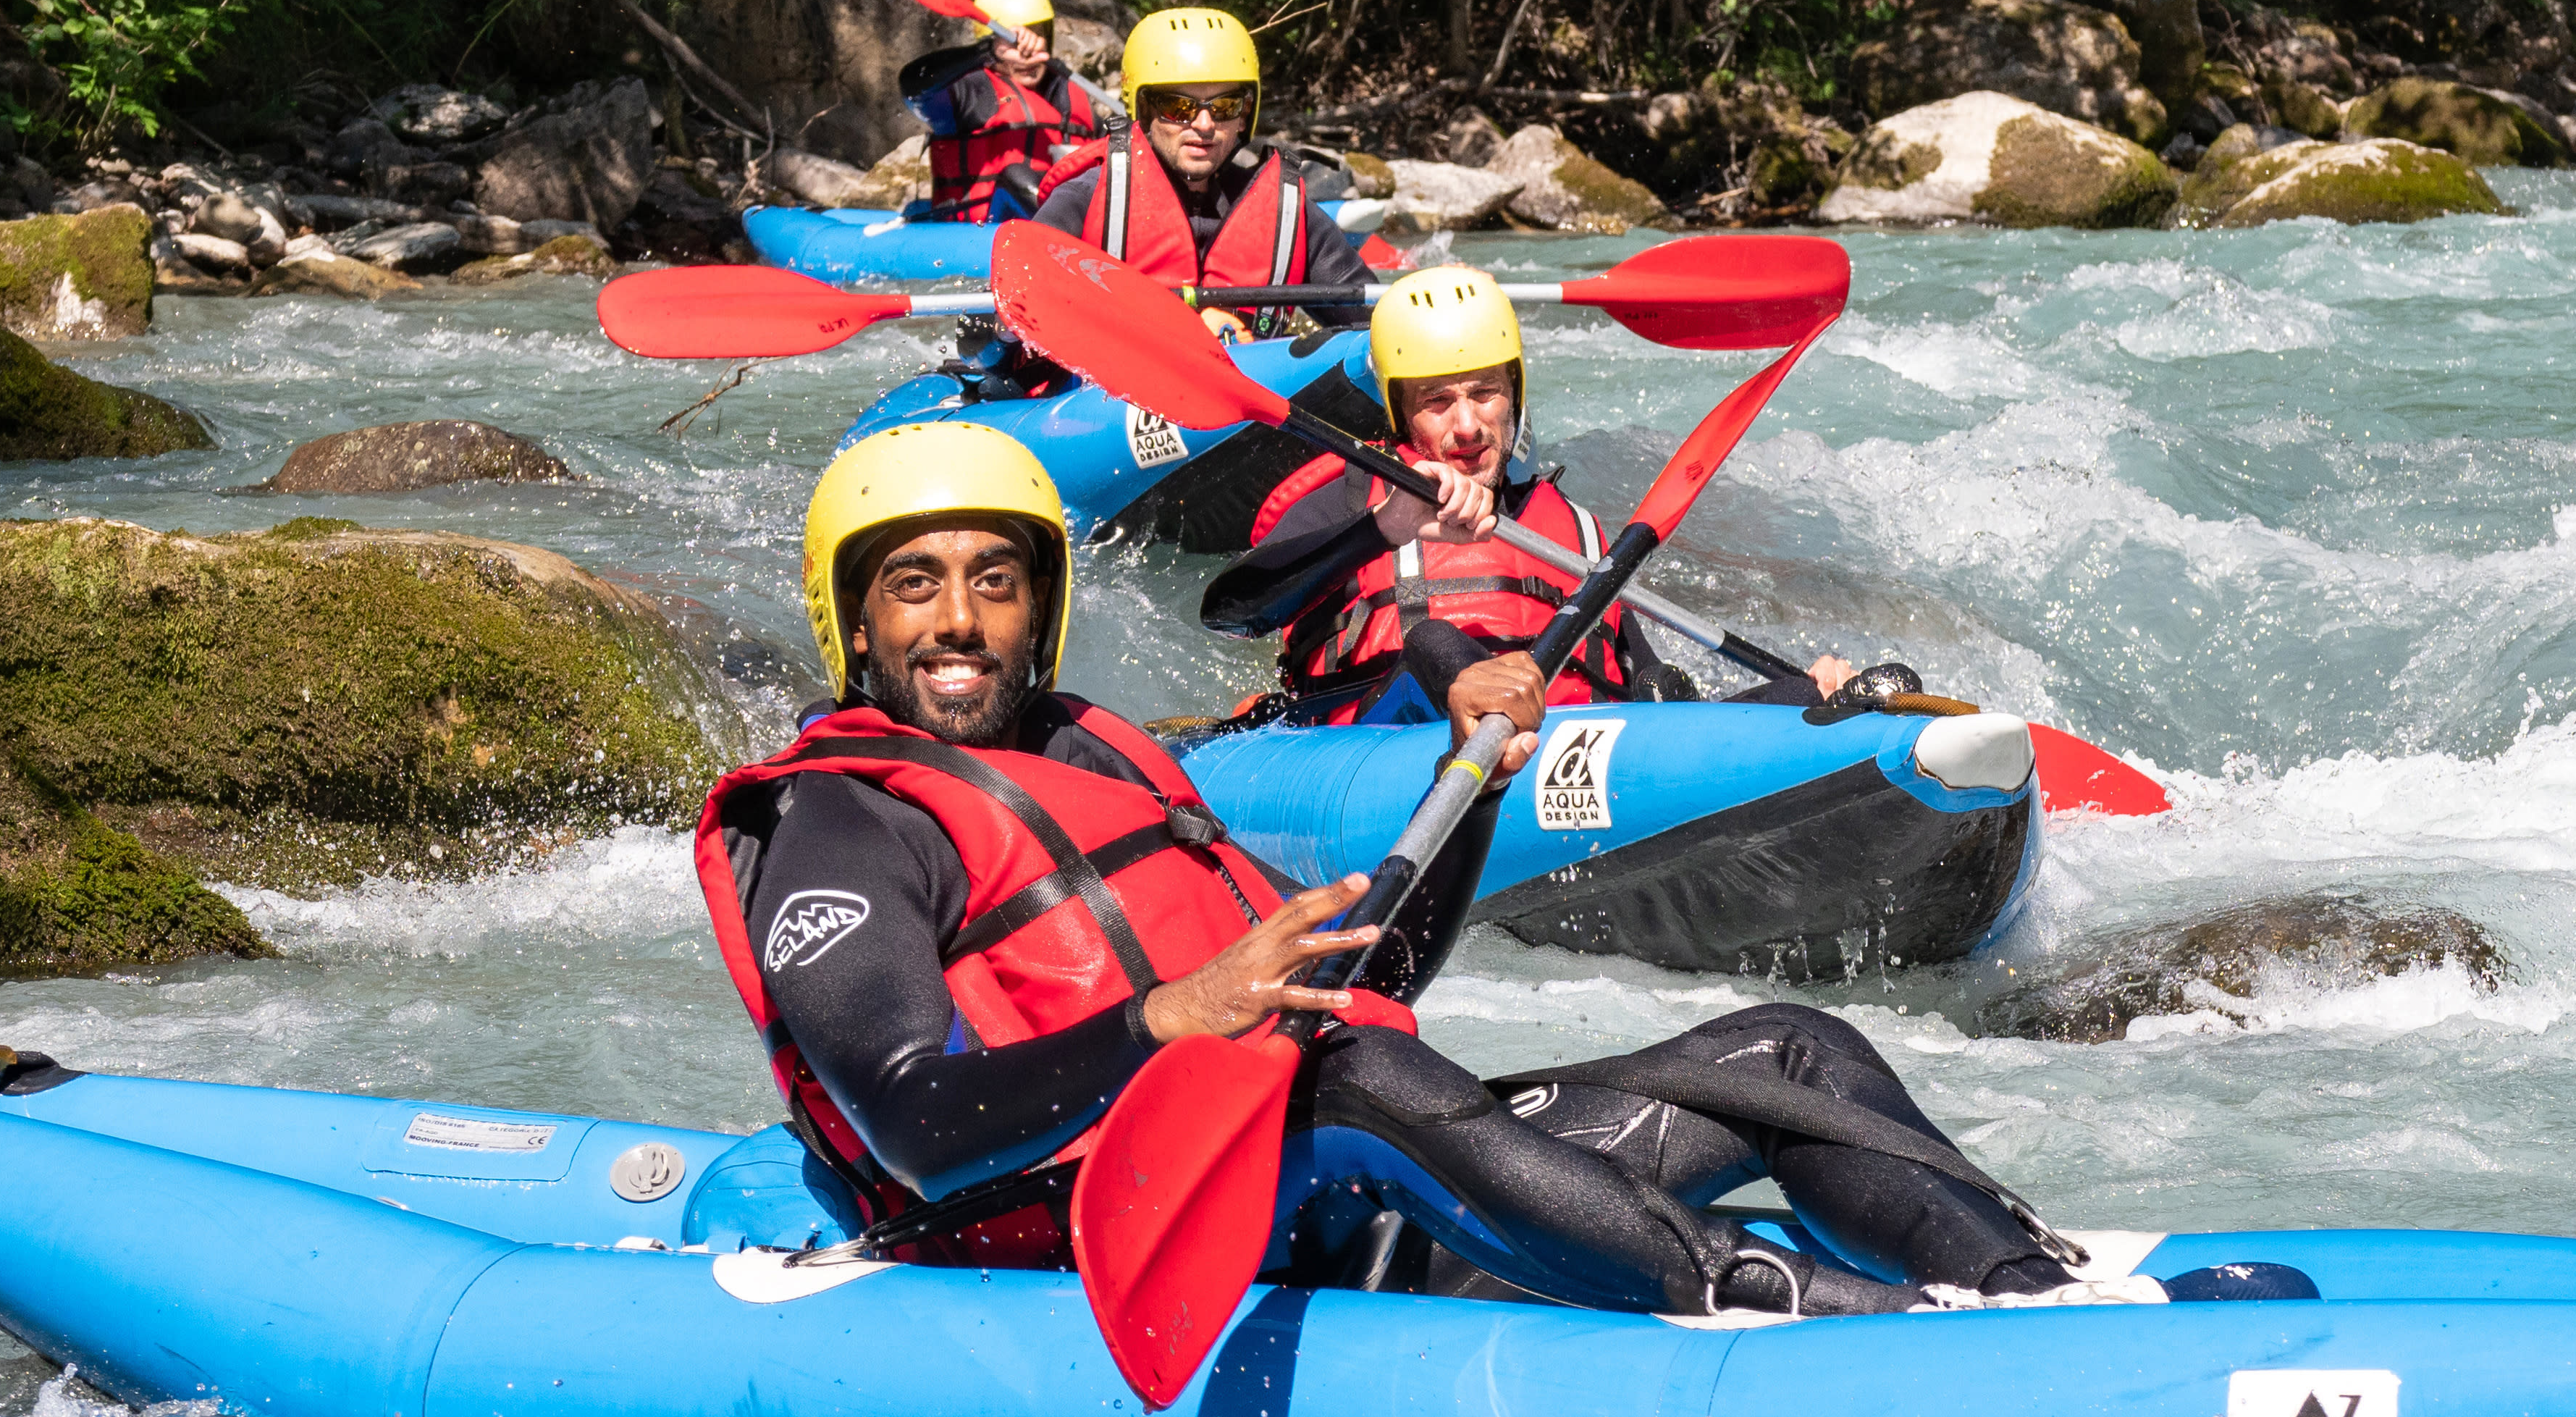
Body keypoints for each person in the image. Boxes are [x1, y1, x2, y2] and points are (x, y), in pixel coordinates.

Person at [691, 424, 2091, 1316]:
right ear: (856, 622)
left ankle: (2027, 1289)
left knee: (1788, 1045)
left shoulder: (1101, 754)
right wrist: (1167, 1019)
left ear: (1038, 605)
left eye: (994, 579)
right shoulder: (835, 823)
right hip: (1109, 1226)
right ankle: (1783, 1309)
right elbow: (914, 1128)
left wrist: (1465, 777)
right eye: (914, 583)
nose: (959, 617)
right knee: (1349, 1079)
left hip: (1317, 1174)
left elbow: (1377, 981)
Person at [1205, 264, 1871, 727]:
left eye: (1485, 392)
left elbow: (1647, 690)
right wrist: (1381, 530)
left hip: (1563, 761)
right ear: (1400, 413)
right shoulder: (1351, 505)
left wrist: (1805, 701)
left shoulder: (1577, 529)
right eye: (1438, 402)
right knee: (1435, 645)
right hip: (1392, 744)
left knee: (1860, 695)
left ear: (1516, 393)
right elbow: (1233, 613)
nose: (1467, 426)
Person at [1032, 7, 1374, 312]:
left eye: (1224, 106)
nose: (1204, 125)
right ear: (1146, 110)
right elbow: (1013, 318)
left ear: (1245, 115)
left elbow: (1376, 320)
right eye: (1180, 107)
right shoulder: (1084, 201)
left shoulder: (1287, 213)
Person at [898, 0, 1106, 222]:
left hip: (1065, 232)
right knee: (1017, 176)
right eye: (1014, 40)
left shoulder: (1072, 97)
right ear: (994, 42)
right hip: (978, 235)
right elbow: (912, 84)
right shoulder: (971, 92)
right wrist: (986, 52)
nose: (1027, 50)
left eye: (1038, 34)